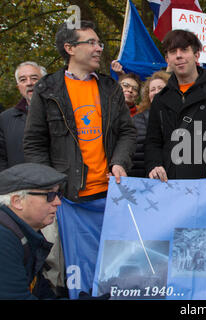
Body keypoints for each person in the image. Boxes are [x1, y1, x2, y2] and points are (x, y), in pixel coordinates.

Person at [22, 20, 136, 296]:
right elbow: (34, 143)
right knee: (69, 277)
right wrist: (50, 186)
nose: (99, 49)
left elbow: (126, 133)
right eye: (92, 43)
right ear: (70, 48)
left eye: (99, 43)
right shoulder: (47, 90)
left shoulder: (110, 88)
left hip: (109, 199)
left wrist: (119, 162)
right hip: (67, 201)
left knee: (114, 274)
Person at [144, 29, 206, 182]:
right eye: (173, 51)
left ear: (196, 55)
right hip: (171, 185)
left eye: (184, 50)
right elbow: (153, 142)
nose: (179, 55)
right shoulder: (160, 99)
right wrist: (154, 165)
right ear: (167, 59)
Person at [0, 163, 66, 299]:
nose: (58, 202)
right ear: (17, 201)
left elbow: (41, 293)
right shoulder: (4, 239)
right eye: (50, 195)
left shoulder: (26, 232)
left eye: (58, 193)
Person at [0, 62, 46, 171]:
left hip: (57, 183)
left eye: (34, 78)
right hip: (19, 185)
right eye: (23, 80)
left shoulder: (60, 113)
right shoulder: (5, 119)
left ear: (45, 82)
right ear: (18, 87)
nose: (29, 83)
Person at [130, 71, 170, 177]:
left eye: (160, 88)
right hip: (145, 181)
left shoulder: (182, 118)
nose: (156, 92)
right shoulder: (136, 121)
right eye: (152, 89)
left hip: (174, 181)